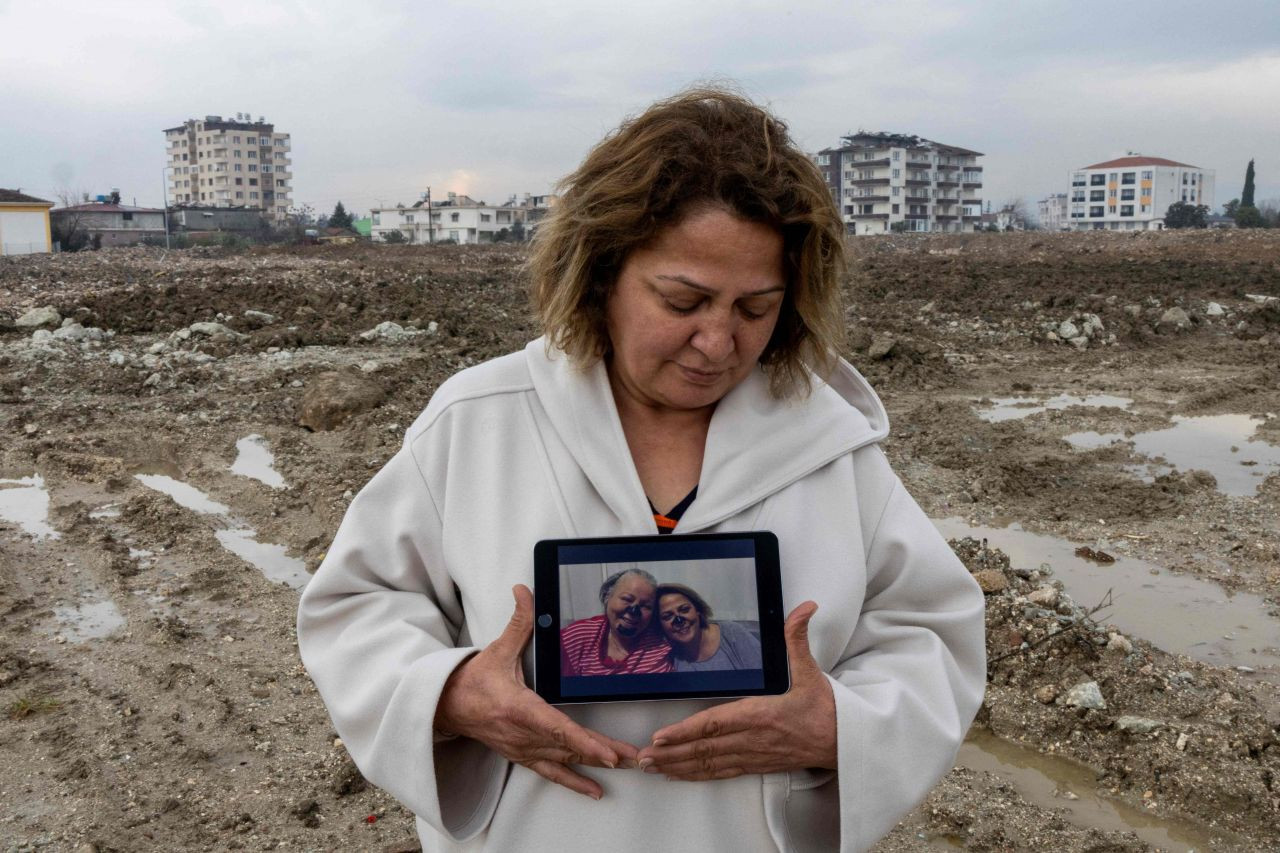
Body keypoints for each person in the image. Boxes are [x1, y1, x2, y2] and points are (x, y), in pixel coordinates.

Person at [296, 86, 985, 852]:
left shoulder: (828, 445)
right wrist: (452, 693)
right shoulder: (480, 423)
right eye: (683, 299)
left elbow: (931, 635)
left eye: (754, 308)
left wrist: (840, 726)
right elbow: (356, 606)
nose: (718, 342)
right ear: (601, 273)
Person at [560, 569, 673, 675]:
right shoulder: (578, 636)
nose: (634, 611)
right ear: (607, 597)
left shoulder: (660, 640)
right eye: (627, 599)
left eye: (646, 606)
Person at [655, 582, 762, 671]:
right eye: (667, 616)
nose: (679, 620)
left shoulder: (732, 632)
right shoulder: (668, 657)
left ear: (698, 610)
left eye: (684, 609)